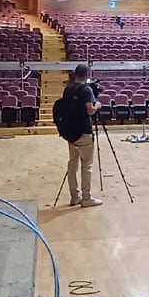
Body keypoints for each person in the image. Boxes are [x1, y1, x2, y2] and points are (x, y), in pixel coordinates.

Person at [63, 65, 102, 207]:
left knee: (72, 164)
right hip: (84, 132)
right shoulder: (86, 90)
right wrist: (97, 105)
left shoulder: (68, 88)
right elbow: (90, 111)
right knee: (87, 165)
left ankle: (74, 196)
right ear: (86, 74)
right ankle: (86, 198)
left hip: (70, 132)